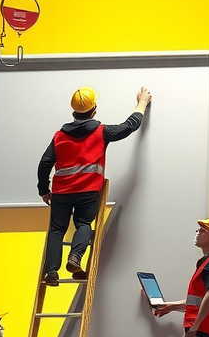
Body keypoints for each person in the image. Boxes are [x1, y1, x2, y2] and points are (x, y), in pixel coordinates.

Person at [37, 85, 151, 286]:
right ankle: (75, 257)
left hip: (61, 193)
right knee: (83, 224)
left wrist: (44, 190)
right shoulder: (101, 132)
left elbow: (45, 162)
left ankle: (52, 272)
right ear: (94, 109)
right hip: (88, 191)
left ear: (73, 112)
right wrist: (142, 103)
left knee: (57, 230)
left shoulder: (59, 136)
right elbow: (130, 125)